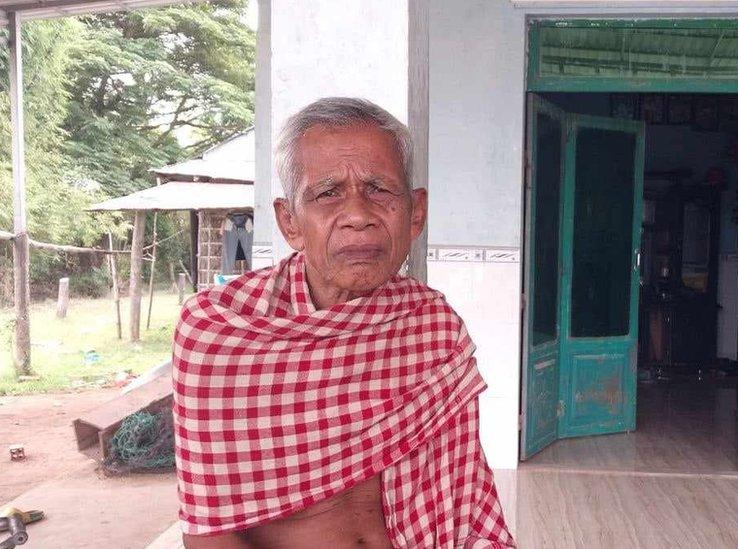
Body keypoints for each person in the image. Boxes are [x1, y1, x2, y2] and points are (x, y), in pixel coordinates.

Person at [174, 97, 514, 548]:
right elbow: (210, 531)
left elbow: (465, 501)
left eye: (379, 189)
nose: (358, 215)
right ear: (289, 221)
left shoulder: (433, 326)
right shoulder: (220, 332)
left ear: (415, 213)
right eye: (328, 193)